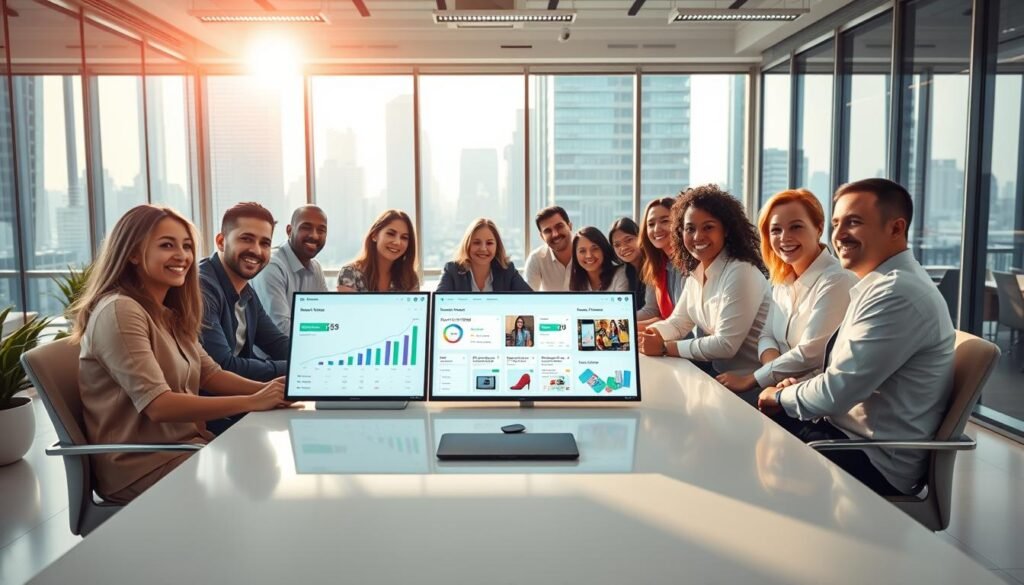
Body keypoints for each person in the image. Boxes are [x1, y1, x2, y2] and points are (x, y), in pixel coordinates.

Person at [71, 205, 291, 504]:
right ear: (133, 253)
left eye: (187, 246)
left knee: (273, 479)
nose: (183, 256)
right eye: (167, 245)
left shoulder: (168, 312)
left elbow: (212, 374)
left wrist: (274, 393)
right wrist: (254, 401)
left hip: (185, 448)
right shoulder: (120, 310)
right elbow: (158, 406)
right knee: (265, 494)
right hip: (143, 467)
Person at [757, 178, 955, 496]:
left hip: (872, 459)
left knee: (749, 454)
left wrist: (780, 397)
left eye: (854, 222)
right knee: (751, 434)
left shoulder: (896, 293)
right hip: (843, 435)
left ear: (896, 228)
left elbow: (838, 391)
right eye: (837, 224)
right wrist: (798, 389)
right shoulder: (876, 284)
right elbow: (844, 375)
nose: (839, 235)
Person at [716, 190, 856, 395]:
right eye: (775, 230)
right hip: (782, 390)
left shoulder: (837, 279)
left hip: (817, 402)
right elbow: (766, 336)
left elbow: (812, 353)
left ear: (818, 228)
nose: (784, 238)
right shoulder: (782, 279)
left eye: (796, 227)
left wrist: (753, 379)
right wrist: (775, 376)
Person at [637, 184, 770, 389]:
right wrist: (646, 337)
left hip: (755, 385)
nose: (698, 236)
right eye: (690, 229)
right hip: (721, 380)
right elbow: (678, 323)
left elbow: (725, 345)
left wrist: (664, 348)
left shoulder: (740, 271)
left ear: (725, 230)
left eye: (708, 227)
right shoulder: (696, 274)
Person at [199, 203, 291, 434]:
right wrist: (297, 370)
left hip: (246, 407)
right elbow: (223, 365)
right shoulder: (201, 288)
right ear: (221, 241)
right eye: (246, 239)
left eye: (265, 243)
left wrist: (320, 361)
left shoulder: (246, 291)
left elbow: (277, 343)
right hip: (214, 417)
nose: (256, 251)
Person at [252, 205, 328, 335]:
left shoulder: (316, 268)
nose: (315, 236)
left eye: (321, 230)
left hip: (305, 347)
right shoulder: (271, 265)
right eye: (306, 227)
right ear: (289, 230)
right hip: (271, 354)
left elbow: (327, 316)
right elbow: (280, 328)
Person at [437, 218, 532, 292]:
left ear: (497, 246)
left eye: (489, 243)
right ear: (467, 244)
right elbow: (438, 306)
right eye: (476, 243)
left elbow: (532, 301)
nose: (483, 248)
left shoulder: (507, 270)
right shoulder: (452, 270)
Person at [337, 209, 420, 292]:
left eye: (404, 237)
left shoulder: (409, 278)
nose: (397, 242)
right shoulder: (349, 273)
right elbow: (349, 305)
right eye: (391, 234)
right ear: (374, 235)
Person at [637, 197, 685, 329]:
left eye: (665, 221)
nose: (657, 229)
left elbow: (680, 320)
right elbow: (652, 311)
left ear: (679, 224)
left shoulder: (690, 264)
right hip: (674, 336)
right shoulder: (656, 264)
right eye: (651, 224)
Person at [524, 205, 574, 291]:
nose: (555, 234)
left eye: (559, 226)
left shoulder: (587, 255)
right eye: (547, 231)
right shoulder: (536, 259)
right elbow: (528, 298)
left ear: (570, 226)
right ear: (542, 236)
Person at [569, 227, 629, 292]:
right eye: (582, 251)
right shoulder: (576, 281)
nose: (589, 256)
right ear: (575, 255)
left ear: (603, 249)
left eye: (594, 249)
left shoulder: (620, 274)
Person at [609, 217, 648, 312]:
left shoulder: (651, 266)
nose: (623, 248)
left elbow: (652, 311)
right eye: (617, 245)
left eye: (628, 240)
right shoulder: (624, 272)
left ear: (640, 237)